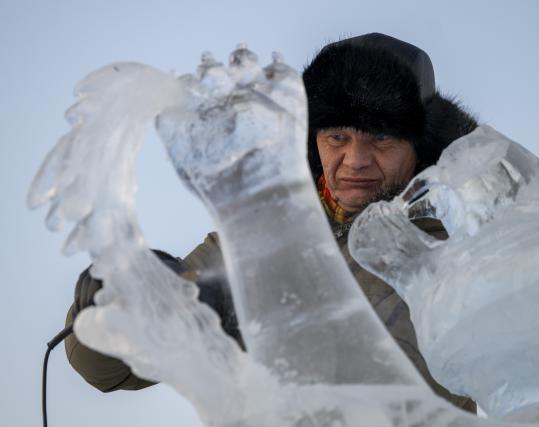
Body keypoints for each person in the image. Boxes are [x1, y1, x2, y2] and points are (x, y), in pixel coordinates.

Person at [64, 33, 478, 412]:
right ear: (313, 139)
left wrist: (242, 315)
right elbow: (111, 371)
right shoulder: (261, 234)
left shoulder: (462, 243)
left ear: (419, 145)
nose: (355, 160)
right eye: (338, 137)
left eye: (381, 139)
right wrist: (116, 305)